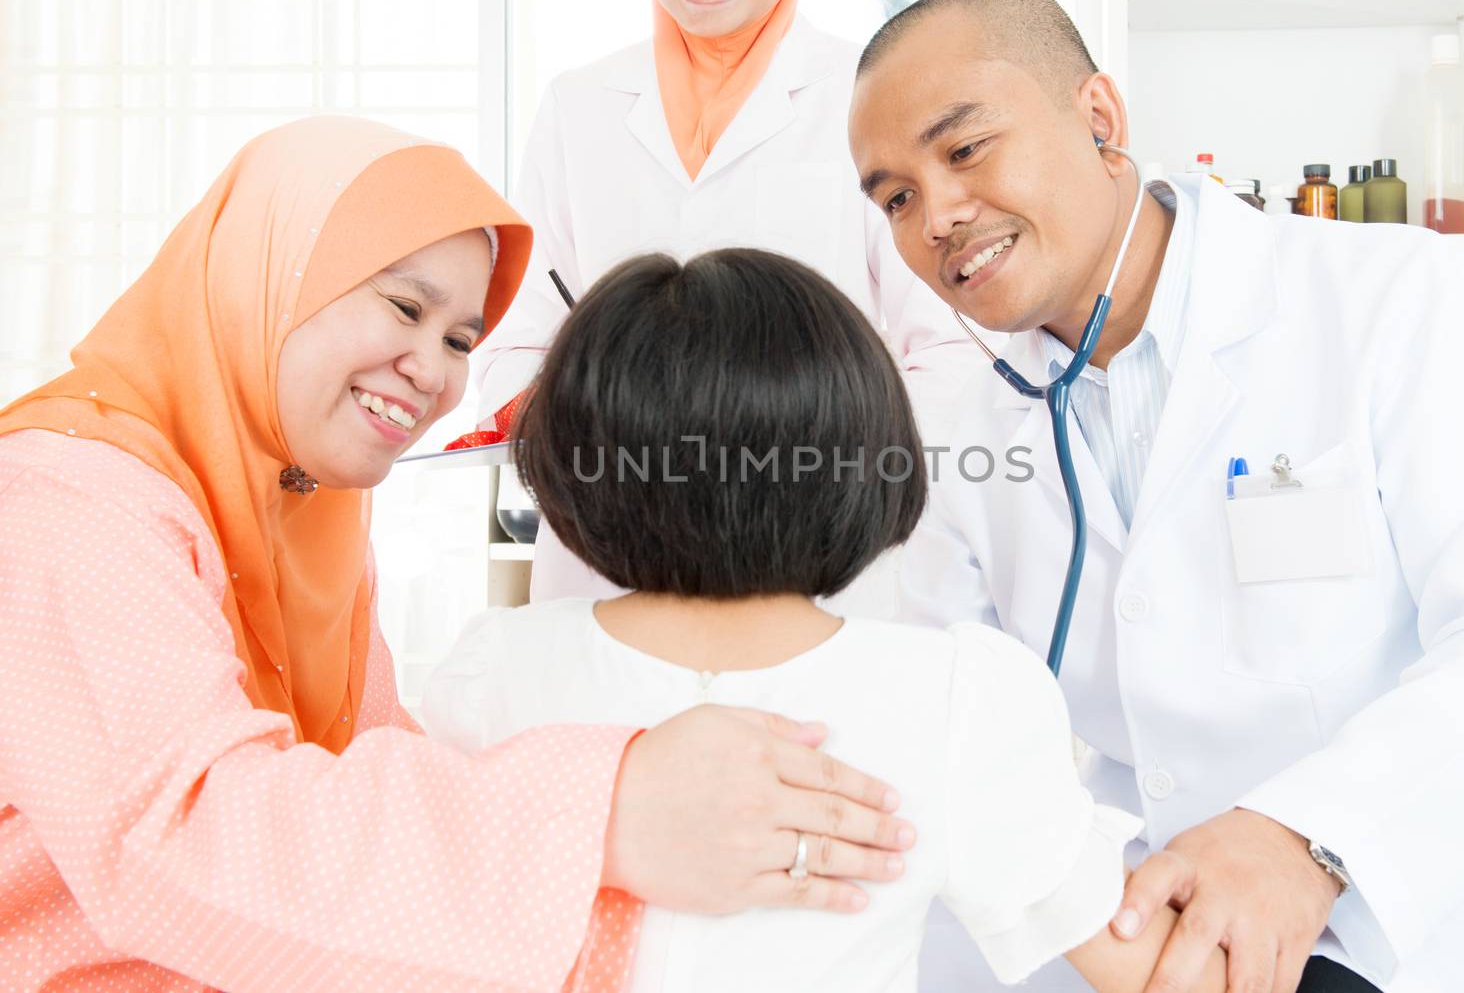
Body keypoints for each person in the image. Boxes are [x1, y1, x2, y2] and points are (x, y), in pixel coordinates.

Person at [0, 117, 917, 990]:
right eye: (403, 306)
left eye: (459, 340)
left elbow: (364, 781)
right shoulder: (72, 497)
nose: (433, 373)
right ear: (264, 274)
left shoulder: (305, 509)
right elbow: (180, 831)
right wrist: (599, 816)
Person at [846, 0, 1464, 993]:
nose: (934, 215)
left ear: (1099, 118)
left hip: (1430, 902)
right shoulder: (969, 438)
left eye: (965, 149)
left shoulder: (1396, 301)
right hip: (1154, 916)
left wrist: (1307, 837)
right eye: (895, 196)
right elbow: (940, 719)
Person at [424, 247, 1226, 992]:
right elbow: (1152, 963)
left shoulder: (491, 671)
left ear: (570, 457)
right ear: (865, 449)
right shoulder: (953, 697)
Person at [472, 0, 993, 609]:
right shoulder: (578, 106)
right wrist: (620, 450)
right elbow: (513, 348)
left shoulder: (869, 97)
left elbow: (954, 353)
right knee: (615, 718)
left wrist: (790, 459)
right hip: (613, 553)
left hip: (815, 559)